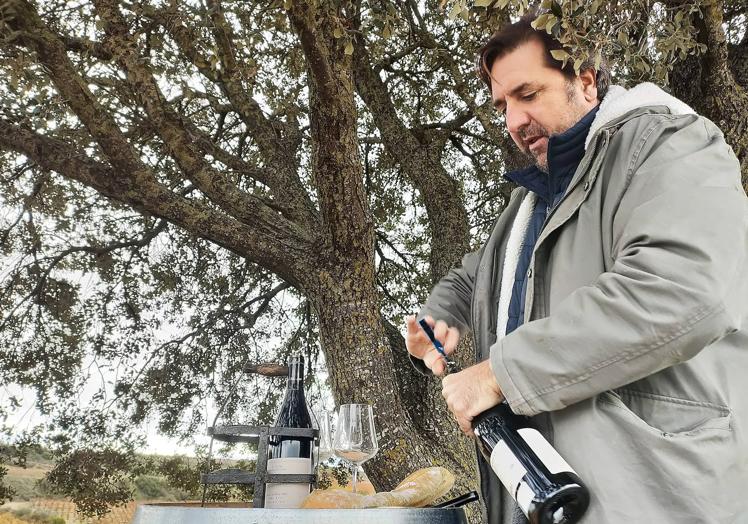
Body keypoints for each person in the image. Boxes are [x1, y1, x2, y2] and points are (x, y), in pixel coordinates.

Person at [406, 11, 748, 524]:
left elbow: (679, 290)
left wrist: (501, 373)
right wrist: (440, 318)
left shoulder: (669, 143)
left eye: (528, 94)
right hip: (547, 499)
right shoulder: (526, 210)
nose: (512, 122)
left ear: (586, 81)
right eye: (502, 105)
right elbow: (472, 277)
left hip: (658, 498)